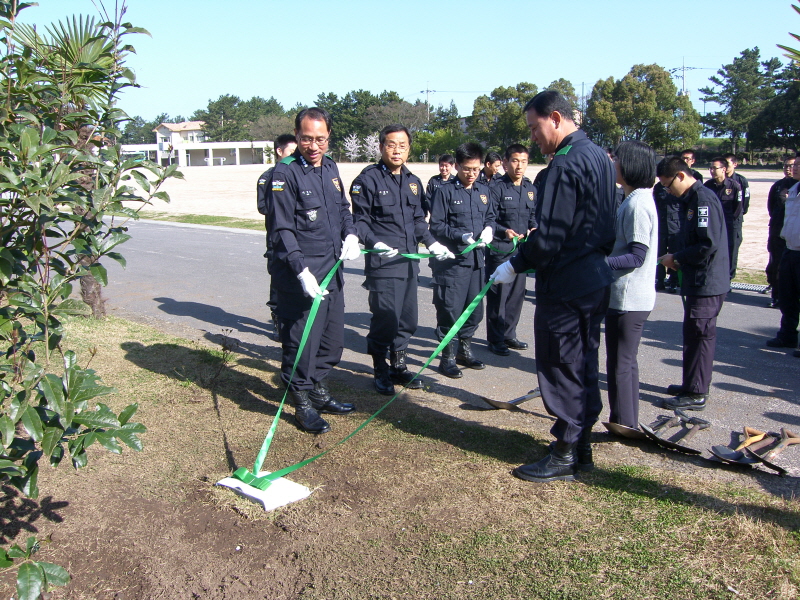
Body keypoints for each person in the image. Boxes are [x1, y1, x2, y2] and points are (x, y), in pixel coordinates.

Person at [490, 91, 616, 482]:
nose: (532, 138)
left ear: (556, 118)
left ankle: (564, 450)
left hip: (566, 283)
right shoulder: (598, 156)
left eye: (535, 128)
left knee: (562, 365)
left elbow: (549, 237)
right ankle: (581, 445)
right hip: (594, 276)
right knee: (584, 363)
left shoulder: (564, 163)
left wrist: (516, 262)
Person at [266, 107, 361, 434]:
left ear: (329, 137)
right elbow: (282, 229)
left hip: (332, 270)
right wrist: (301, 271)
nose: (313, 145)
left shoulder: (331, 168)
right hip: (301, 276)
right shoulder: (285, 173)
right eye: (306, 138)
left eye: (320, 139)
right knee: (301, 343)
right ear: (297, 136)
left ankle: (319, 388)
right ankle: (302, 400)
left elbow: (344, 209)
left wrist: (351, 233)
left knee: (332, 341)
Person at [350, 125, 453, 395]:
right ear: (381, 146)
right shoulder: (368, 180)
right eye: (391, 144)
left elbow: (419, 221)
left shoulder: (413, 181)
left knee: (408, 320)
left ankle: (399, 366)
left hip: (408, 264)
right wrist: (375, 243)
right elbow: (359, 222)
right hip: (383, 265)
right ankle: (380, 369)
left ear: (409, 149)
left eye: (403, 145)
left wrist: (432, 244)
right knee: (386, 319)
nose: (397, 150)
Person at [658, 156, 729, 411]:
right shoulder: (691, 199)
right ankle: (690, 384)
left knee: (700, 335)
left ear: (680, 176)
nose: (667, 191)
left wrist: (676, 258)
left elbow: (708, 244)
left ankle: (697, 391)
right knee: (691, 334)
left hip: (706, 281)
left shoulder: (703, 199)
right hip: (696, 279)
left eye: (668, 185)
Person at [605, 141, 659, 430]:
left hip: (628, 299)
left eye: (617, 161)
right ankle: (625, 420)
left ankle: (624, 424)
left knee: (621, 364)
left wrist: (602, 264)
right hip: (627, 297)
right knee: (624, 362)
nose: (613, 165)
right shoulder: (633, 198)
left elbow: (637, 255)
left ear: (630, 166)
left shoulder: (638, 203)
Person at [429, 142, 495, 379]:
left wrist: (489, 228)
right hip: (452, 264)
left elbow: (491, 216)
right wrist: (460, 235)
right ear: (457, 166)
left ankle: (464, 350)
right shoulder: (444, 191)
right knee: (450, 310)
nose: (471, 174)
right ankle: (446, 357)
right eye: (467, 169)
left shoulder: (484, 191)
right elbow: (436, 225)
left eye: (476, 169)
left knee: (474, 311)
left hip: (477, 262)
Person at [484, 143, 537, 356]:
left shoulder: (531, 189)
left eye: (523, 161)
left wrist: (534, 228)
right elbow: (489, 219)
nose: (519, 166)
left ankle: (509, 334)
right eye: (515, 161)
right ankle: (495, 339)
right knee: (499, 297)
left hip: (521, 253)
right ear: (505, 163)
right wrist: (504, 231)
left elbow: (534, 216)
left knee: (516, 295)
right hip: (500, 251)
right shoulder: (496, 188)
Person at [257, 134, 298, 340]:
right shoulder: (268, 177)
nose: (295, 157)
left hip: (299, 239)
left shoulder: (300, 174)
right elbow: (263, 207)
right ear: (279, 151)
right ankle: (277, 318)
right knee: (279, 281)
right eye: (291, 152)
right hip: (276, 238)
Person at [766, 156, 800, 355]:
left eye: (798, 165)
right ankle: (787, 335)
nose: (793, 168)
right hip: (790, 249)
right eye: (793, 165)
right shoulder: (793, 190)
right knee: (787, 296)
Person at [705, 157, 742, 281]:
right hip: (712, 226)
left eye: (715, 168)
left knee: (730, 253)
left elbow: (738, 208)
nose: (712, 171)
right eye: (710, 168)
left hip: (728, 225)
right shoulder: (708, 186)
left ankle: (728, 279)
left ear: (724, 169)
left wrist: (727, 223)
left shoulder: (734, 186)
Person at [653, 178, 685, 292]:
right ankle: (659, 280)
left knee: (674, 254)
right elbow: (655, 205)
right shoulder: (658, 187)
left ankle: (673, 281)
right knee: (659, 254)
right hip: (661, 226)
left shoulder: (678, 187)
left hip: (676, 227)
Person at [723, 153, 749, 280]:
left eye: (727, 164)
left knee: (732, 250)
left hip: (734, 221)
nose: (725, 167)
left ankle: (729, 277)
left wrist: (736, 216)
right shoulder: (717, 181)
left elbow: (745, 202)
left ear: (735, 164)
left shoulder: (741, 181)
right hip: (720, 221)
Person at [422, 154, 456, 219]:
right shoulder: (433, 181)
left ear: (452, 166)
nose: (444, 168)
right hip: (436, 217)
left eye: (446, 166)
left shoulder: (455, 181)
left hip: (451, 217)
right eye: (441, 165)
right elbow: (428, 199)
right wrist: (434, 212)